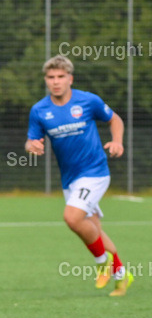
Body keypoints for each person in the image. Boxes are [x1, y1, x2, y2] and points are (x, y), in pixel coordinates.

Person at [26, 55, 130, 296]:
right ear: (46, 80)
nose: (56, 81)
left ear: (70, 79)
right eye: (51, 77)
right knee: (94, 230)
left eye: (60, 76)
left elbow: (114, 119)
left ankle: (102, 263)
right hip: (70, 179)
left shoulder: (88, 101)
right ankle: (122, 275)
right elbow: (31, 140)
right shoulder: (39, 110)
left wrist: (117, 141)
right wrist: (32, 146)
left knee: (72, 218)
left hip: (95, 172)